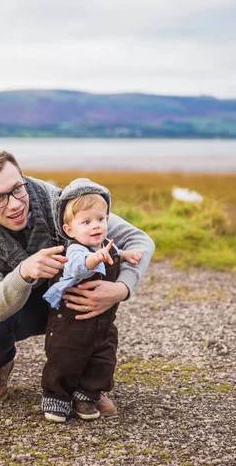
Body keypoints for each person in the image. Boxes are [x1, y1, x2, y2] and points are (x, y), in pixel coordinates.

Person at [0, 150, 155, 414]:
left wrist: (122, 288)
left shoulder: (56, 201)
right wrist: (23, 272)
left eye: (17, 189)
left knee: (88, 301)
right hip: (13, 302)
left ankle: (86, 387)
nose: (14, 204)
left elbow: (140, 241)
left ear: (23, 179)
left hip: (64, 297)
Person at [41, 178, 143, 422]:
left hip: (103, 320)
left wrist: (126, 255)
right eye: (86, 222)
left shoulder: (105, 245)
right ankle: (56, 397)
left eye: (100, 219)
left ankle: (86, 395)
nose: (95, 226)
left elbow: (114, 255)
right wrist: (95, 259)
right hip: (71, 321)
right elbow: (77, 267)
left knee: (103, 358)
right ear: (70, 230)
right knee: (65, 357)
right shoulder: (76, 249)